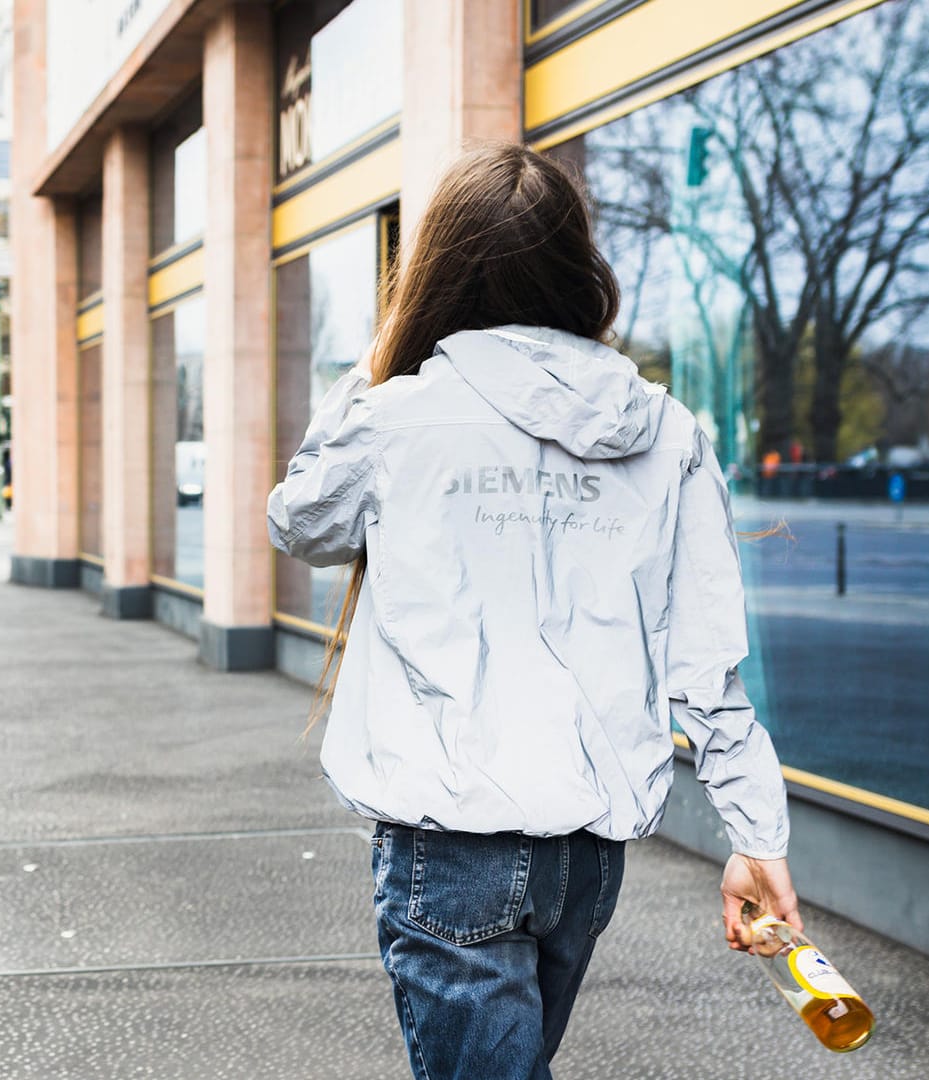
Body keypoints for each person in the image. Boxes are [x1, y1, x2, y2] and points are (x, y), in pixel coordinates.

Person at [267, 144, 797, 1080]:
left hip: (451, 846)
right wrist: (755, 836)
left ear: (441, 270)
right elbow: (705, 668)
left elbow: (299, 520)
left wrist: (379, 353)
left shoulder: (397, 419)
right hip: (584, 862)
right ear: (578, 269)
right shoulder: (667, 431)